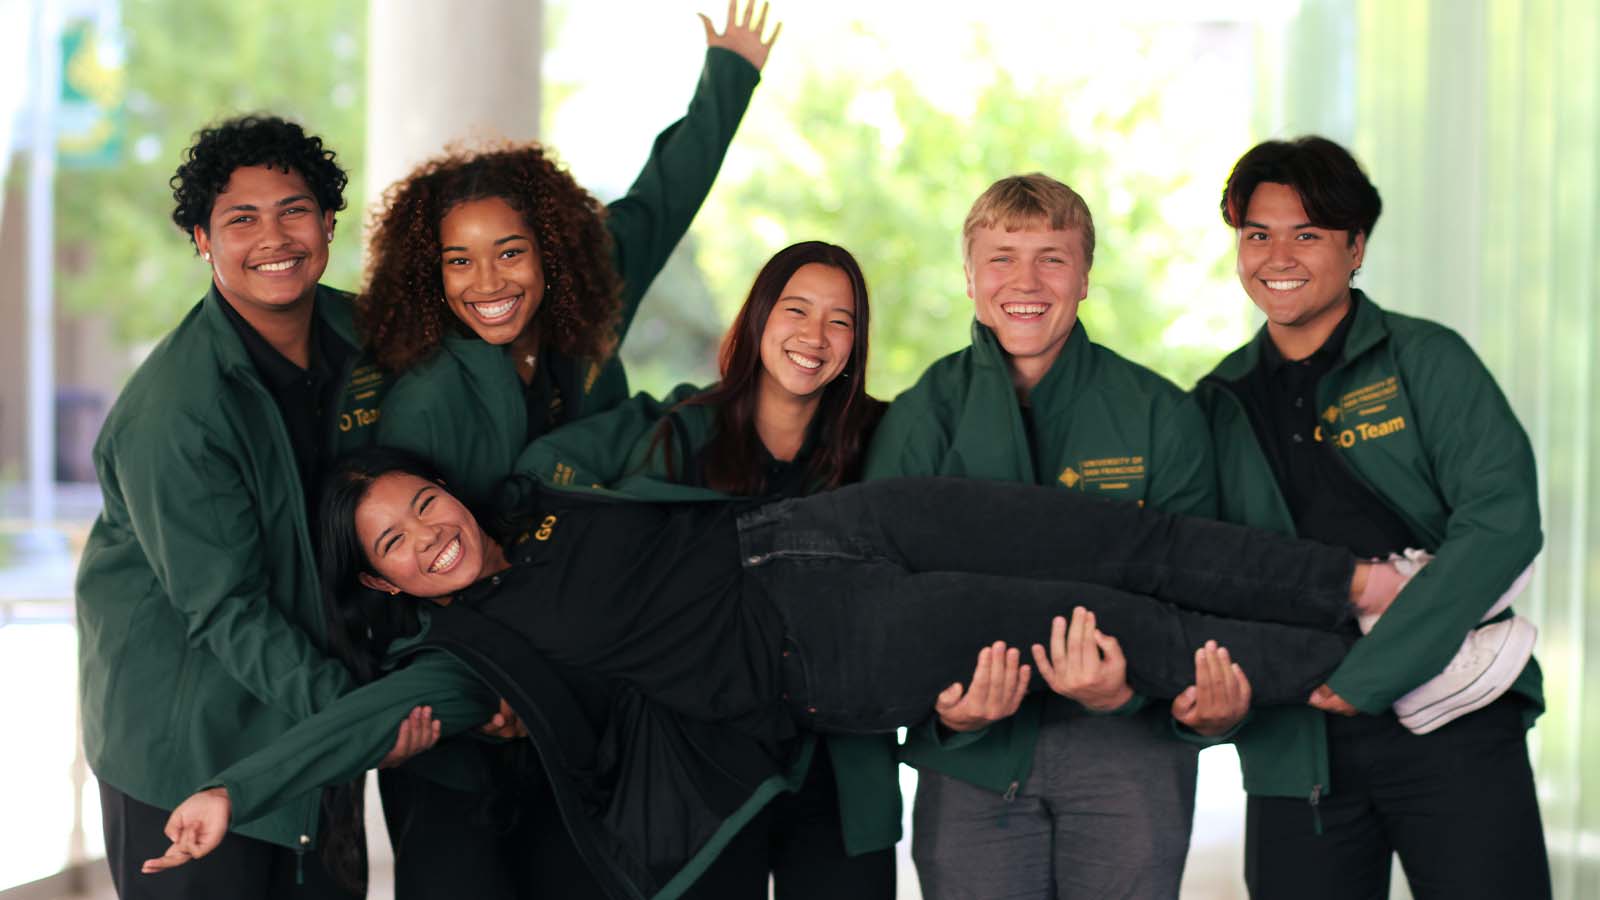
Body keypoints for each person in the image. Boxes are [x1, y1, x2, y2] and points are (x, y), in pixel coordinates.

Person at [137, 446, 1416, 900]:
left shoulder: (540, 497)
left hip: (840, 524)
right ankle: (1389, 665)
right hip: (831, 649)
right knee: (1111, 620)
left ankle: (1365, 589)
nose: (431, 533)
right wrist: (233, 790)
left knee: (1115, 536)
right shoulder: (474, 650)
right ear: (387, 586)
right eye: (399, 546)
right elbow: (370, 715)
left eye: (423, 503)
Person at [74, 115, 442, 899]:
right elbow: (225, 609)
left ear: (328, 224)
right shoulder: (175, 411)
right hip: (188, 737)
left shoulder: (368, 335)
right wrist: (358, 720)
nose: (273, 236)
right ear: (202, 242)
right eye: (241, 218)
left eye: (294, 210)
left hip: (312, 704)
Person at [1193, 136, 1549, 898]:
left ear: (1355, 247)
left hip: (1456, 723)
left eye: (1308, 234)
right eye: (1258, 234)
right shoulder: (1217, 401)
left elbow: (1503, 523)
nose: (1277, 256)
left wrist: (1373, 676)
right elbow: (1204, 565)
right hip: (1297, 742)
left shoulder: (1426, 360)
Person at [863, 173, 1232, 898]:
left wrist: (1126, 691)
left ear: (1085, 276)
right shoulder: (920, 418)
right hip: (971, 755)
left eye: (1052, 257)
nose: (1025, 279)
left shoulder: (1161, 414)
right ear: (969, 278)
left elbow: (1204, 587)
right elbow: (877, 597)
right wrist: (947, 708)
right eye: (1001, 256)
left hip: (1129, 751)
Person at [520, 240, 896, 897]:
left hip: (836, 759)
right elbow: (551, 484)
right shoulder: (682, 434)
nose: (815, 335)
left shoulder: (883, 442)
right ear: (756, 318)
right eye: (797, 309)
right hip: (703, 767)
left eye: (841, 321)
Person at [364, 1, 778, 510]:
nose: (489, 282)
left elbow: (664, 197)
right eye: (459, 261)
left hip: (623, 530)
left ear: (550, 250)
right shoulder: (426, 403)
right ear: (431, 272)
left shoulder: (591, 288)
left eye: (510, 252)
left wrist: (730, 73)